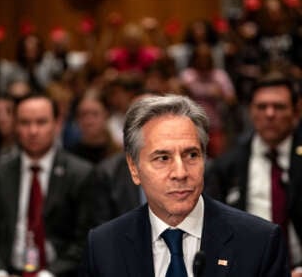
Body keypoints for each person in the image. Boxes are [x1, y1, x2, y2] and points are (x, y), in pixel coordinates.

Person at [80, 94, 290, 276]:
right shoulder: (103, 247)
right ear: (134, 168)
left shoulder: (259, 242)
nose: (180, 173)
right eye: (163, 158)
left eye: (191, 155)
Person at [0, 92, 94, 277]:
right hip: (9, 271)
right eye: (25, 123)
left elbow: (85, 240)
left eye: (41, 122)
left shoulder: (80, 174)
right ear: (15, 126)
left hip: (58, 273)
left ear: (57, 124)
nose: (33, 131)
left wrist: (49, 274)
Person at [205, 74, 302, 275]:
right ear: (250, 111)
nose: (269, 114)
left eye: (279, 107)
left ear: (296, 111)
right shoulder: (228, 164)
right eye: (261, 107)